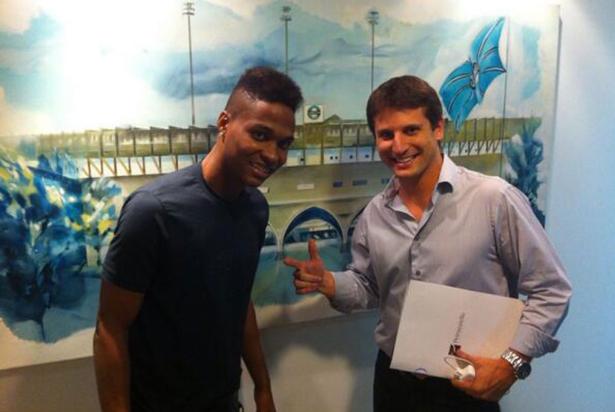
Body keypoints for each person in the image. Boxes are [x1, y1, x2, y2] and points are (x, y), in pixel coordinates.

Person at [284, 75, 571, 411]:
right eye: (386, 135)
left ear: (438, 128)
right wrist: (329, 282)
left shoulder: (494, 199)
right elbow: (370, 287)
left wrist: (512, 362)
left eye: (410, 130)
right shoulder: (375, 214)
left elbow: (552, 290)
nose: (398, 146)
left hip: (466, 385)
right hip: (394, 384)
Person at [94, 66, 303, 412]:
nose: (272, 155)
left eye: (283, 144)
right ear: (224, 123)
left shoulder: (255, 209)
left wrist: (263, 388)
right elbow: (110, 329)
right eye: (260, 135)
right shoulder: (153, 211)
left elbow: (239, 302)